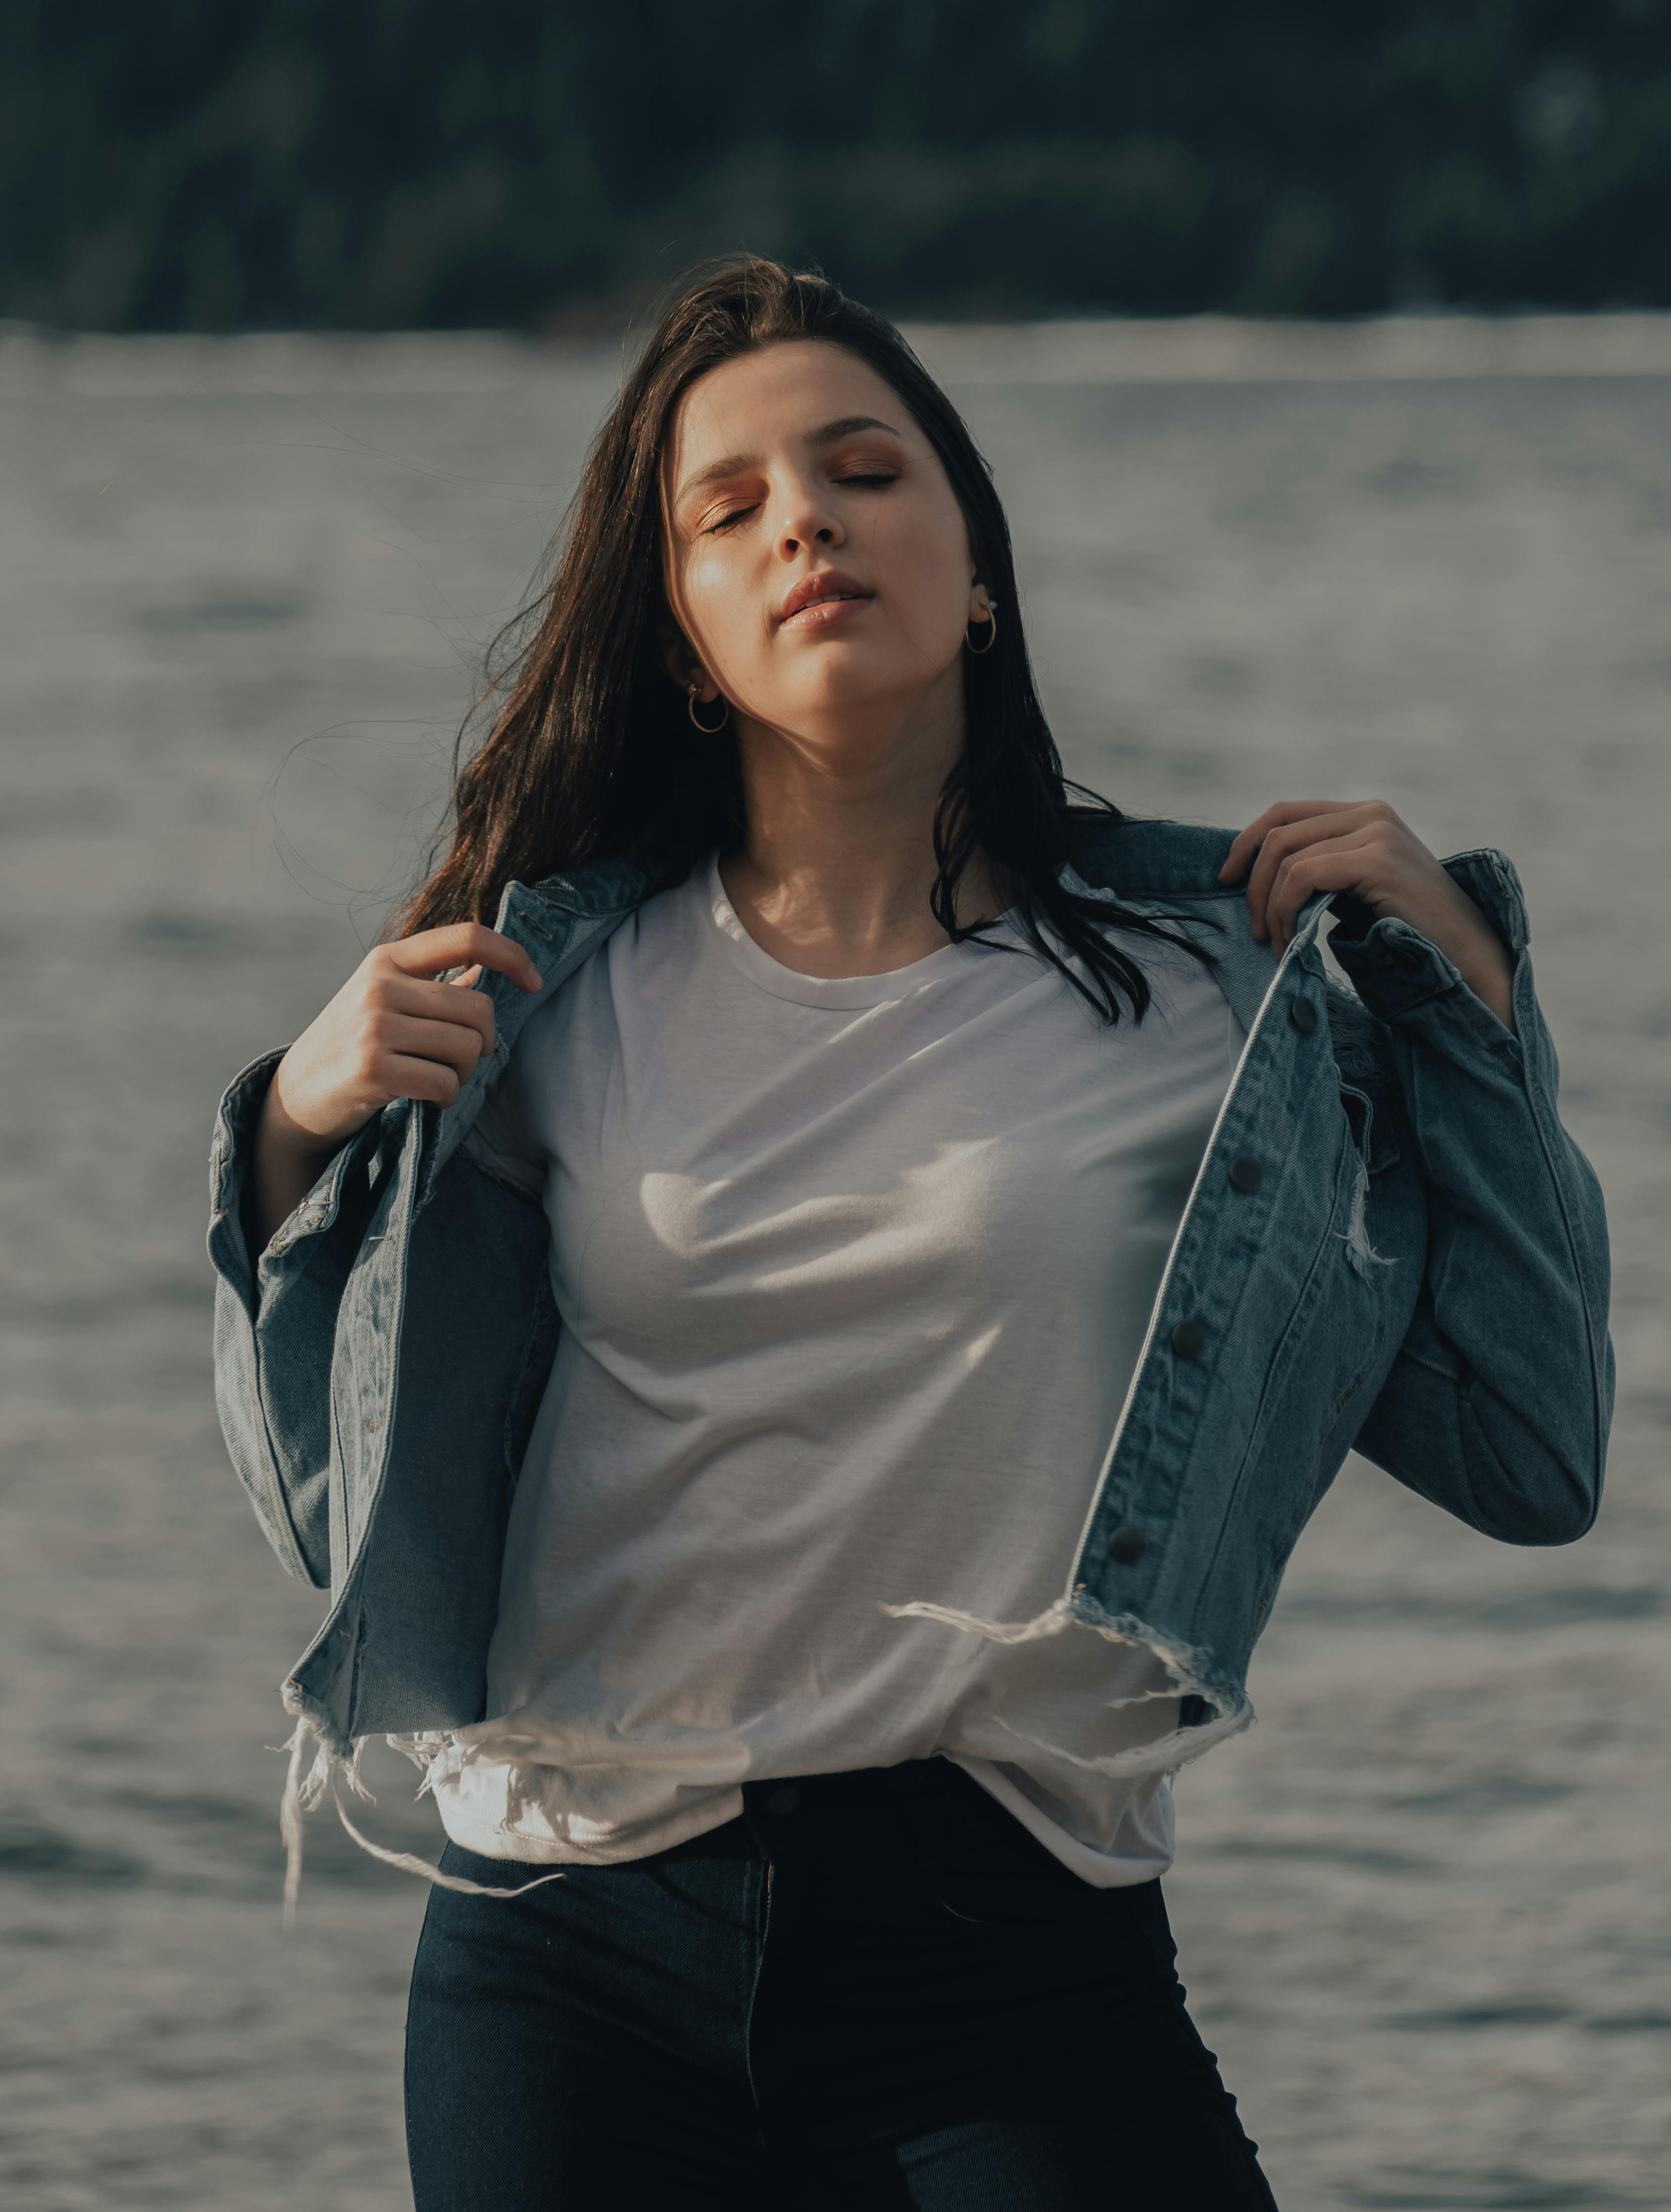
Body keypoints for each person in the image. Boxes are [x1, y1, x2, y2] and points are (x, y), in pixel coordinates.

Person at [208, 258, 1611, 2210]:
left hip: (1014, 1951)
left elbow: (1530, 1452)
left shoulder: (1219, 992)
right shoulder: (536, 997)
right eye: (728, 506)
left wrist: (1459, 996)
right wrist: (294, 1125)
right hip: (567, 1945)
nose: (806, 517)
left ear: (975, 576)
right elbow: (324, 1512)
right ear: (688, 637)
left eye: (863, 469)